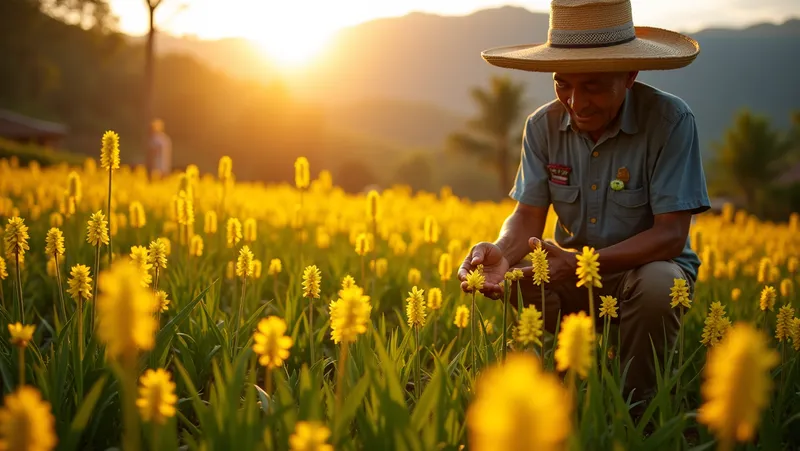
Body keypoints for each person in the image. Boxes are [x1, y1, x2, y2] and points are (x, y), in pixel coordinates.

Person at [458, 0, 710, 408]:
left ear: (629, 75)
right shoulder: (541, 126)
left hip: (639, 271)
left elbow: (670, 236)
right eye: (563, 84)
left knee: (661, 284)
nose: (576, 102)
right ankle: (555, 392)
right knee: (519, 279)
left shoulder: (670, 121)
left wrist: (581, 263)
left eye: (592, 85)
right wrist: (500, 253)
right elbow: (527, 215)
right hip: (568, 273)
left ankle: (637, 406)